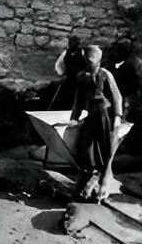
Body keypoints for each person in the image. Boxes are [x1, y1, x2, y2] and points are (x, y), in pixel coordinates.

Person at [69, 45, 124, 201]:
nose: (91, 64)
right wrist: (74, 118)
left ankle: (105, 178)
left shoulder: (105, 74)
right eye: (88, 60)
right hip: (91, 114)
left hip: (106, 113)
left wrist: (118, 117)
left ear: (99, 61)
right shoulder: (81, 77)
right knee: (84, 145)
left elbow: (117, 97)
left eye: (93, 60)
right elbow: (78, 100)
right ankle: (89, 174)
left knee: (107, 147)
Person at [53, 35, 86, 115]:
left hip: (79, 77)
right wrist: (62, 73)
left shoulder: (82, 52)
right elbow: (58, 65)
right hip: (70, 77)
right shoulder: (66, 52)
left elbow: (86, 63)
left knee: (78, 94)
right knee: (69, 94)